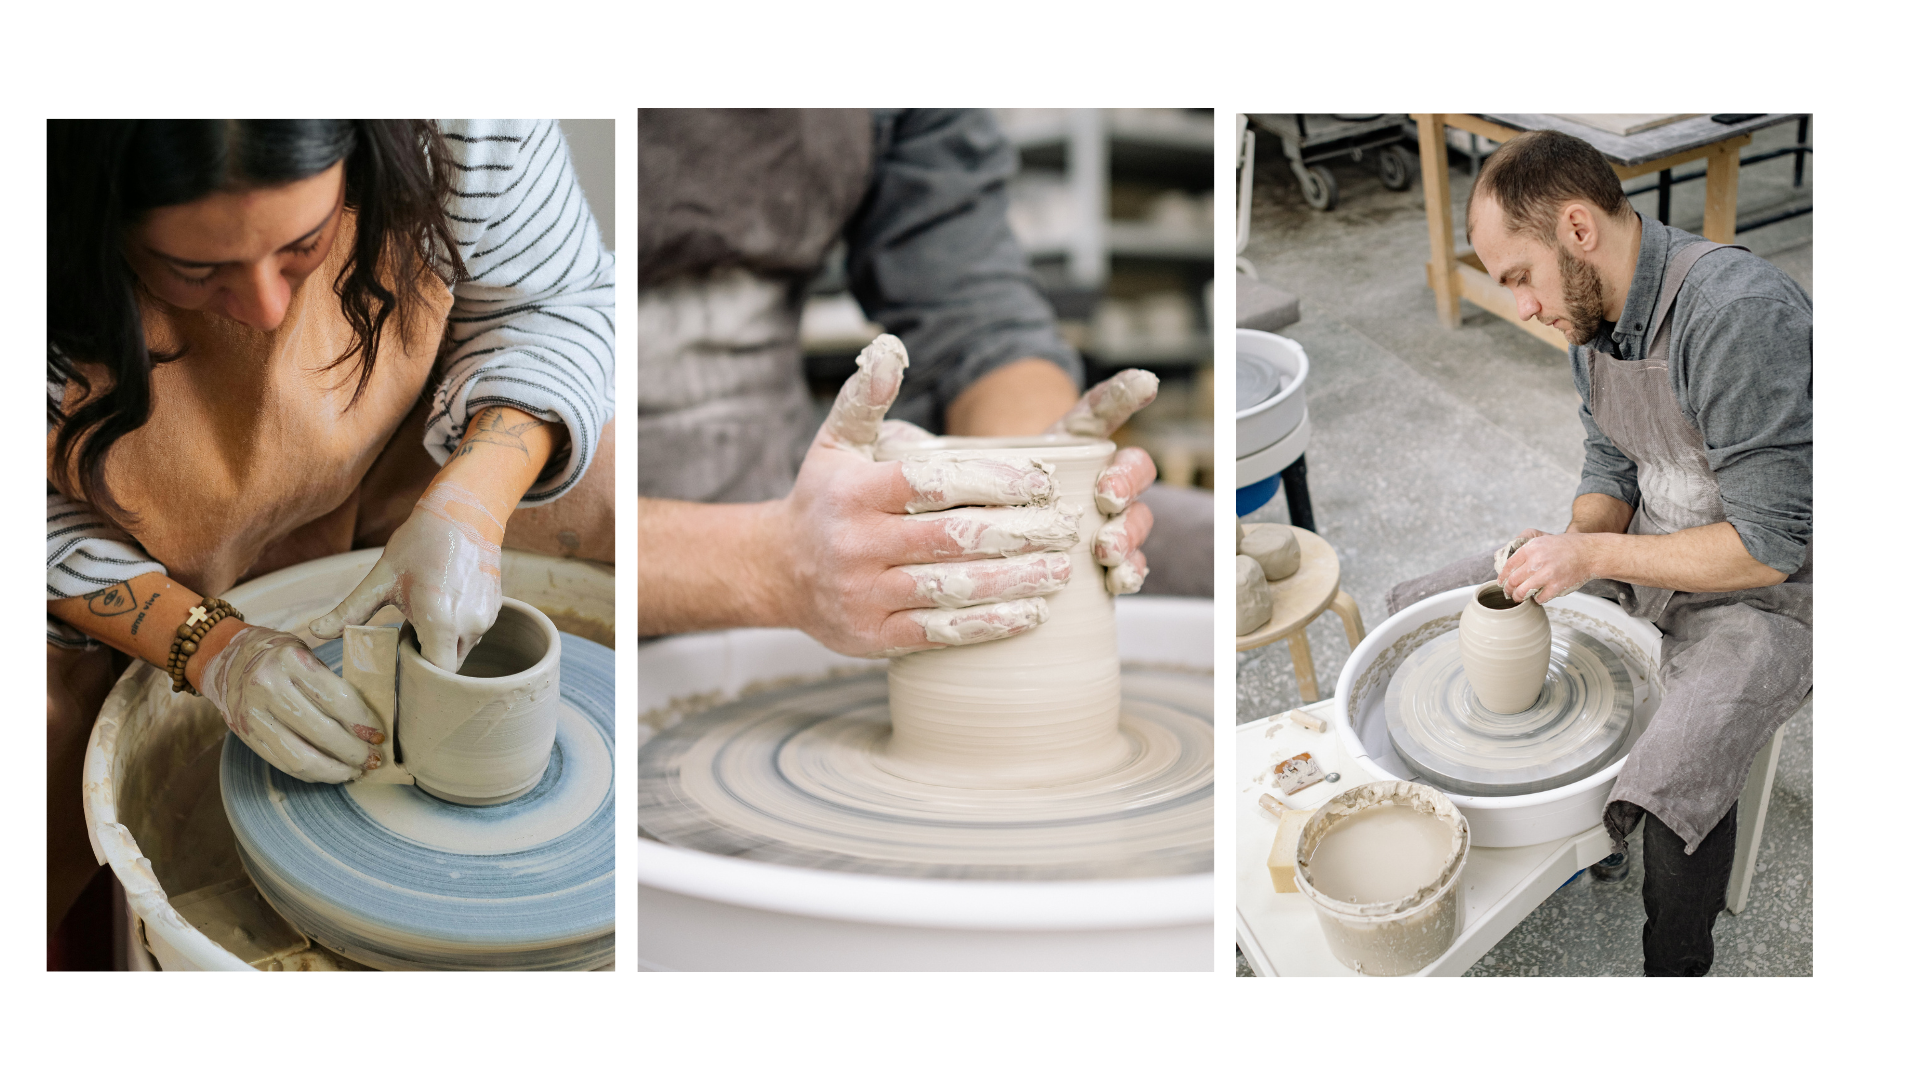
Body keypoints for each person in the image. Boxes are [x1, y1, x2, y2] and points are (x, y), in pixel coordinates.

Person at [45, 120, 615, 934]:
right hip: (115, 538)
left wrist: (470, 504)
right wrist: (210, 647)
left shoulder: (462, 120)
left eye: (305, 245)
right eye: (196, 271)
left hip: (398, 461)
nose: (266, 309)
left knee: (607, 488)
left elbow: (556, 301)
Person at [1386, 129, 1810, 975]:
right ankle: (1571, 823)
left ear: (1578, 229)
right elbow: (1611, 462)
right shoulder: (1594, 311)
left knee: (1677, 775)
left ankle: (1675, 968)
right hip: (1646, 544)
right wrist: (1575, 542)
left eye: (1520, 276)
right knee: (1429, 607)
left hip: (1767, 591)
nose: (1522, 306)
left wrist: (1589, 559)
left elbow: (1769, 547)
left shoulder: (1736, 316)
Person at [633, 109, 1201, 653]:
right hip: (605, 504)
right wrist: (779, 566)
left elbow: (976, 317)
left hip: (787, 479)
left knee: (1200, 549)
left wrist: (1035, 477)